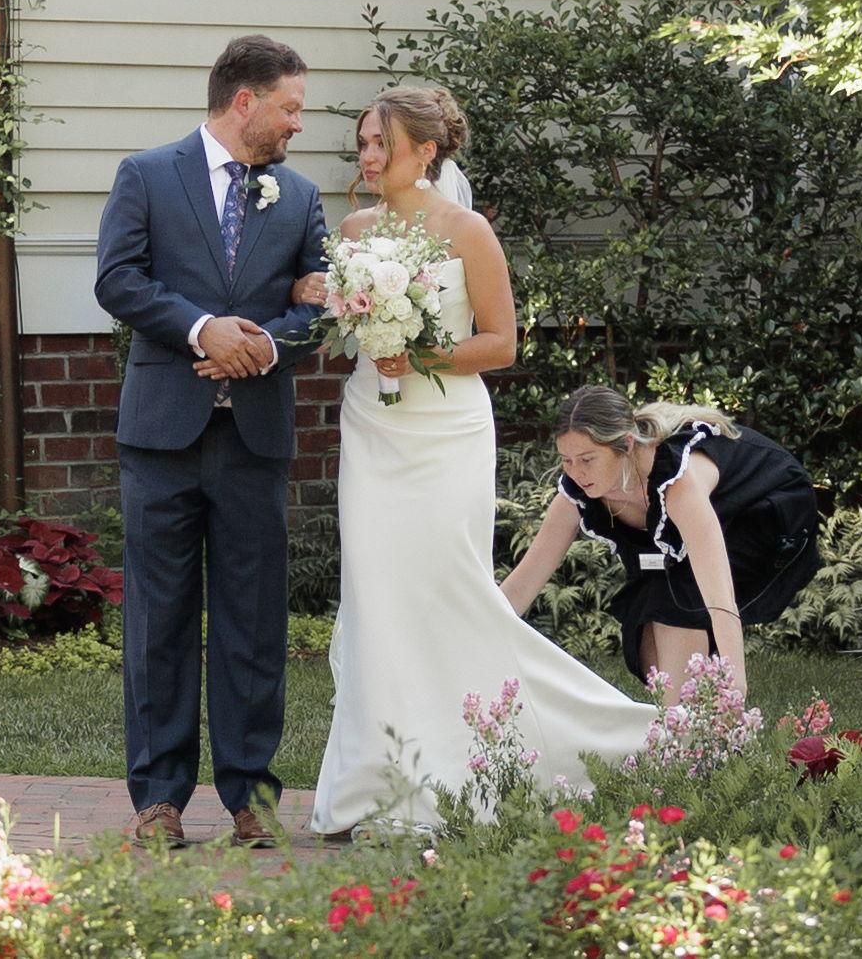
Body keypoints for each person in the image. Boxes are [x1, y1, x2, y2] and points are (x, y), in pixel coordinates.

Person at [300, 87, 656, 838]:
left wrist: (419, 355)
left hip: (446, 431)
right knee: (376, 597)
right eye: (363, 143)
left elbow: (501, 342)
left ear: (426, 150)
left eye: (382, 143)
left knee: (448, 590)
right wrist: (329, 300)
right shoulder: (354, 230)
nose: (368, 157)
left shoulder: (468, 231)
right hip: (372, 428)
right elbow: (341, 323)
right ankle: (373, 784)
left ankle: (549, 748)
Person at [92, 35, 333, 850]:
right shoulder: (146, 175)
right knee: (158, 621)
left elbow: (321, 306)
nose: (297, 125)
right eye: (290, 108)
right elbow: (118, 279)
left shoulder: (299, 196)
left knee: (253, 623)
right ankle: (158, 801)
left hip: (253, 439)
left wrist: (261, 344)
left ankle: (251, 798)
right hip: (162, 437)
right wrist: (203, 329)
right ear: (245, 101)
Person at [505, 387, 826, 703]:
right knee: (653, 621)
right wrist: (482, 633)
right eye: (567, 460)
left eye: (587, 459)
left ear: (626, 445)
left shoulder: (676, 479)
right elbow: (522, 585)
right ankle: (685, 713)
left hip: (769, 511)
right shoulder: (576, 492)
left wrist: (735, 681)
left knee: (677, 599)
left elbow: (718, 595)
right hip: (700, 529)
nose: (576, 472)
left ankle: (689, 721)